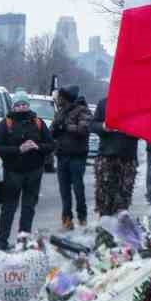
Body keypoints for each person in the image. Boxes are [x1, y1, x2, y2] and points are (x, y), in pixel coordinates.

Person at [0, 92, 53, 249]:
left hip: (34, 171)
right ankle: (2, 241)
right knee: (8, 208)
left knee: (28, 208)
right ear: (13, 107)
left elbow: (51, 145)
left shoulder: (38, 122)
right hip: (13, 171)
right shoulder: (6, 123)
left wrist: (38, 146)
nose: (21, 107)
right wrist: (18, 149)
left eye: (24, 104)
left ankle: (23, 242)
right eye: (18, 105)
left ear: (28, 105)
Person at [51, 85, 92, 229]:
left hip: (77, 155)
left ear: (66, 98)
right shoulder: (60, 111)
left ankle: (82, 216)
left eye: (60, 97)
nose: (58, 99)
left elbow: (84, 129)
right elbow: (52, 131)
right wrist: (56, 128)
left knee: (78, 187)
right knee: (64, 189)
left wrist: (66, 127)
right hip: (62, 155)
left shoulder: (82, 110)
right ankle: (67, 218)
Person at [91, 96, 140, 216]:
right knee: (104, 196)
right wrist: (103, 126)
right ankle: (105, 222)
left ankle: (120, 222)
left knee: (123, 197)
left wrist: (129, 126)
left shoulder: (135, 104)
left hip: (128, 157)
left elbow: (143, 128)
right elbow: (92, 125)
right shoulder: (104, 103)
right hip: (106, 156)